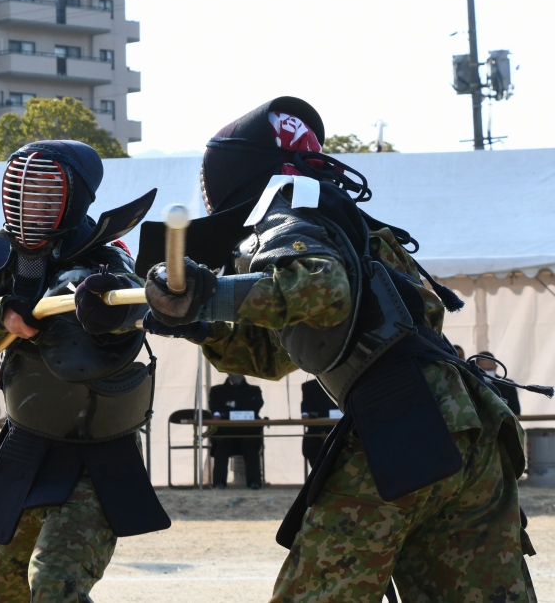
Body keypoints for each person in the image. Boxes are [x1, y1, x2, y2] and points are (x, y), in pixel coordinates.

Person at [141, 97, 534, 601]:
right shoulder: (340, 219)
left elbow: (323, 293)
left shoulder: (288, 211)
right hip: (470, 427)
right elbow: (272, 353)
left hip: (404, 421)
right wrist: (196, 322)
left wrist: (208, 295)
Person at [0, 139, 169, 601]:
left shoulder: (106, 253)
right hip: (26, 445)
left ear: (73, 198)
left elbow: (137, 306)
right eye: (21, 192)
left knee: (56, 589)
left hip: (97, 452)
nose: (28, 204)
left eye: (43, 193)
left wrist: (101, 303)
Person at [207, 373, 264, 489]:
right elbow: (215, 407)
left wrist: (231, 405)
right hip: (225, 432)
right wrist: (242, 406)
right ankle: (219, 482)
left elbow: (256, 405)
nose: (236, 373)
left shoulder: (254, 390)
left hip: (248, 432)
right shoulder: (217, 390)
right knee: (222, 444)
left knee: (251, 444)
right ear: (227, 372)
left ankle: (254, 482)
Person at [299, 378, 337, 468]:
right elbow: (307, 413)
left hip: (342, 433)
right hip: (317, 434)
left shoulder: (343, 383)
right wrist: (321, 433)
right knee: (314, 448)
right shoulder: (309, 387)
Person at [477, 350, 521, 415]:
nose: (486, 372)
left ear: (495, 367)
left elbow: (516, 411)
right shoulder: (469, 383)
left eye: (489, 369)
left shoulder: (507, 384)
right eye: (483, 370)